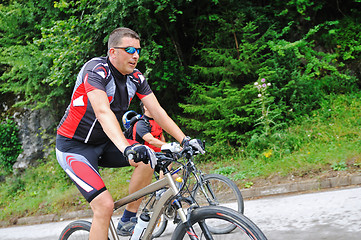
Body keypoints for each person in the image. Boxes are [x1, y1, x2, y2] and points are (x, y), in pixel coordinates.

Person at [55, 27, 204, 240]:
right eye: (130, 49)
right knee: (104, 206)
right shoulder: (96, 70)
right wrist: (127, 148)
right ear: (113, 52)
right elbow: (102, 112)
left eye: (138, 50)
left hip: (106, 141)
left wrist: (185, 139)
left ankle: (128, 218)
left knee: (149, 156)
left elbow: (158, 112)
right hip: (74, 147)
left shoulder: (136, 78)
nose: (135, 55)